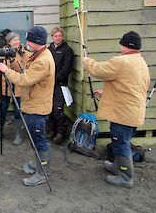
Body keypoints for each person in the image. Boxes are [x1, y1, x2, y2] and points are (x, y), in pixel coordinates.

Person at [82, 31, 150, 188]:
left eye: (122, 44)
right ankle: (118, 166)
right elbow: (130, 87)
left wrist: (86, 61)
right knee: (121, 141)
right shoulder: (141, 63)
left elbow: (98, 70)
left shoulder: (122, 62)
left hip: (124, 114)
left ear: (126, 46)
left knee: (121, 144)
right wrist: (105, 93)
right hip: (132, 112)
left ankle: (126, 177)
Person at [0, 26, 55, 186]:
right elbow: (26, 71)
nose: (26, 43)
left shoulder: (42, 60)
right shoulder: (40, 54)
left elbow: (24, 80)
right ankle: (38, 164)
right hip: (35, 104)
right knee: (36, 139)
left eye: (29, 40)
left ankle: (42, 173)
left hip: (37, 107)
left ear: (37, 41)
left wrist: (5, 70)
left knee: (39, 140)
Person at [0, 31, 31, 146]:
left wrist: (14, 59)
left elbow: (24, 70)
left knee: (18, 112)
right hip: (4, 87)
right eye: (15, 40)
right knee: (1, 110)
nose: (17, 42)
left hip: (19, 87)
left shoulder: (24, 53)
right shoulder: (2, 53)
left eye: (18, 39)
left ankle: (19, 134)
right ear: (9, 42)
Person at [47, 27, 74, 144]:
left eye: (59, 35)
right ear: (52, 37)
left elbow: (66, 69)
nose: (57, 38)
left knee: (58, 109)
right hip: (48, 84)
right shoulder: (48, 50)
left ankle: (61, 133)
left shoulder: (67, 50)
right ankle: (53, 130)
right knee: (50, 109)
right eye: (55, 36)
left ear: (62, 36)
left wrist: (56, 78)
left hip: (60, 84)